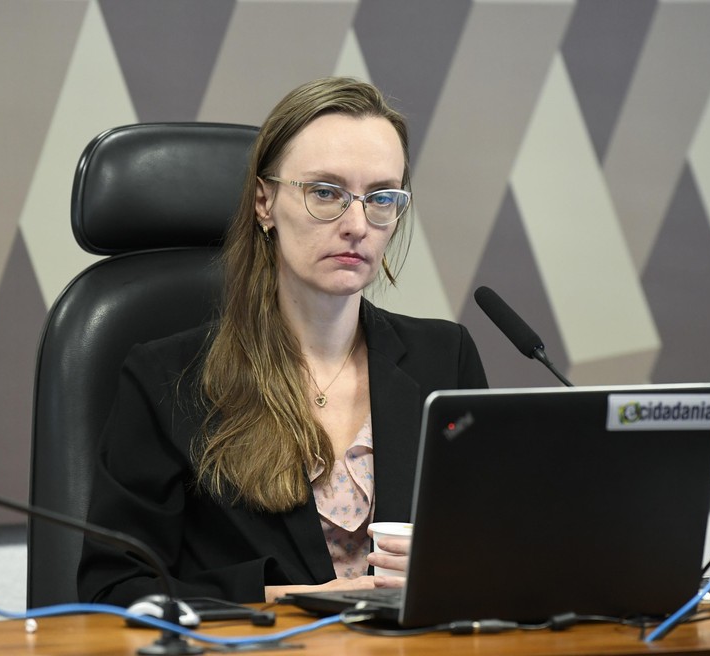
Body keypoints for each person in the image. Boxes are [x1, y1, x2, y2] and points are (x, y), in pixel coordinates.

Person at [76, 77, 488, 606]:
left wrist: (457, 570)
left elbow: (497, 544)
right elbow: (113, 590)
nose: (357, 224)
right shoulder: (166, 379)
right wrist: (298, 597)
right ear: (264, 202)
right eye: (325, 193)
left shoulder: (444, 360)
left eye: (381, 197)